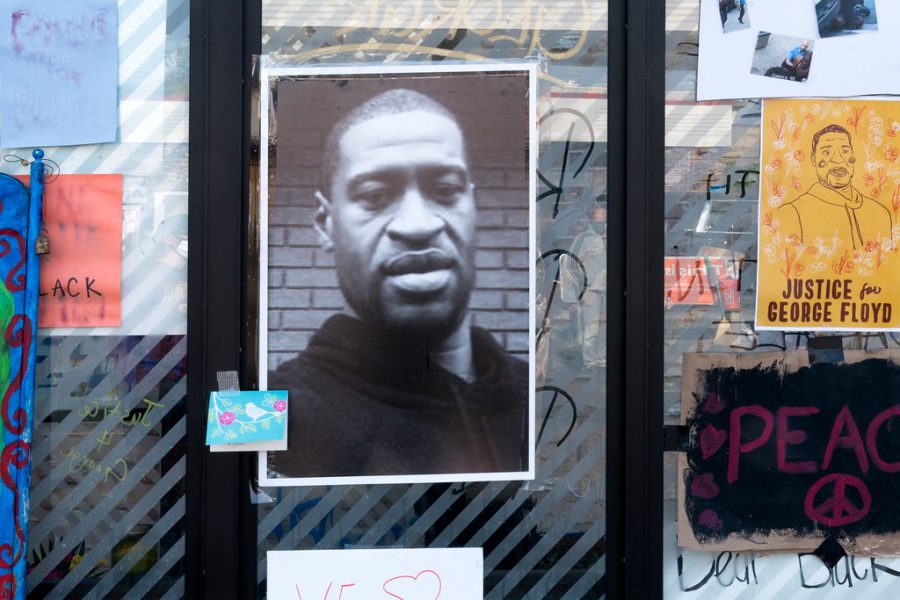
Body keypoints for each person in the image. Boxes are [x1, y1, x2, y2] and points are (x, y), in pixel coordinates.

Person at [268, 88, 529, 480]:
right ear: (325, 223)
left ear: (472, 206)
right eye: (374, 196)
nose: (418, 225)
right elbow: (235, 507)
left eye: (445, 191)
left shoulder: (541, 398)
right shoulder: (276, 408)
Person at [779, 124, 892, 250]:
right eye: (826, 152)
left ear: (852, 157)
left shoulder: (881, 213)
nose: (838, 160)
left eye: (845, 151)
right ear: (813, 159)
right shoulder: (792, 213)